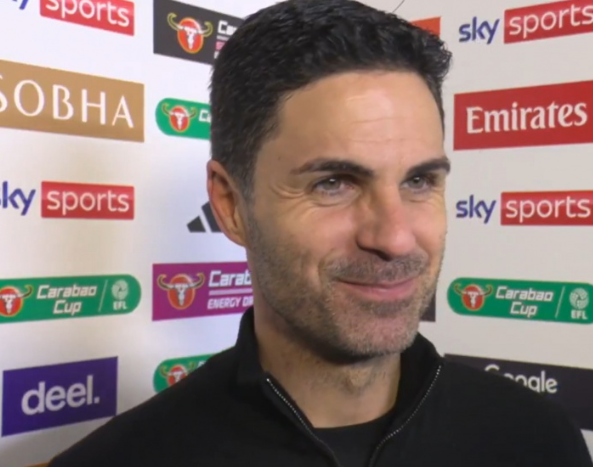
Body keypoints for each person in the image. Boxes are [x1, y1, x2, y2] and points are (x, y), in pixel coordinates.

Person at [49, 0, 593, 466]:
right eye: (334, 183)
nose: (396, 238)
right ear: (231, 205)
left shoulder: (538, 440)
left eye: (419, 181)